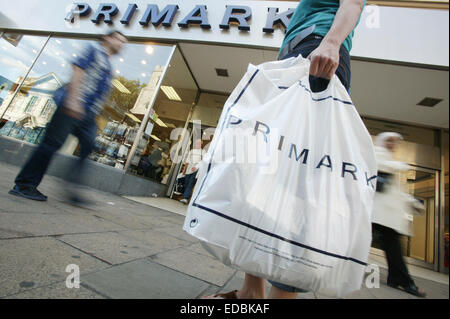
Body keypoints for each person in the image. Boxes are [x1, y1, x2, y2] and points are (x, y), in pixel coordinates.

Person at [204, 0, 366, 299]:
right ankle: (252, 290)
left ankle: (280, 295)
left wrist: (331, 42)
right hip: (305, 49)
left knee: (298, 179)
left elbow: (354, 3)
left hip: (317, 48)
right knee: (270, 169)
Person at [9, 30, 127, 204]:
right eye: (119, 40)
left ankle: (72, 188)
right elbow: (78, 71)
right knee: (51, 144)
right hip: (73, 104)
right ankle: (24, 185)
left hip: (88, 114)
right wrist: (72, 100)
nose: (121, 44)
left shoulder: (108, 65)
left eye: (123, 42)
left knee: (88, 145)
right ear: (107, 38)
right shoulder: (94, 50)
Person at [371, 132, 426, 297]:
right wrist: (401, 165)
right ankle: (402, 280)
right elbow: (380, 164)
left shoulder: (390, 160)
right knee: (391, 246)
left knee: (393, 247)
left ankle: (398, 279)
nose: (392, 144)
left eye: (394, 142)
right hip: (376, 213)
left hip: (385, 216)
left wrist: (412, 202)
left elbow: (396, 191)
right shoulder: (377, 153)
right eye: (389, 140)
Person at [179, 138, 203, 205]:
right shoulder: (192, 151)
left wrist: (196, 167)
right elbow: (187, 161)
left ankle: (185, 198)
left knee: (190, 184)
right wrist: (184, 169)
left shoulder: (203, 152)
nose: (198, 144)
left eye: (200, 143)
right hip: (188, 169)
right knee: (186, 183)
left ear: (201, 144)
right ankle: (185, 197)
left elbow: (202, 162)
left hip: (196, 170)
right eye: (197, 143)